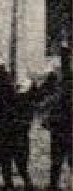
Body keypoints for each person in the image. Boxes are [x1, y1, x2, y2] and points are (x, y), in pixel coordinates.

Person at [0, 67, 36, 191]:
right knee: (6, 162)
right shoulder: (7, 98)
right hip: (9, 135)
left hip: (18, 136)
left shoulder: (26, 104)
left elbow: (26, 121)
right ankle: (9, 185)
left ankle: (26, 184)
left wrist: (15, 121)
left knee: (20, 164)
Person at [43, 35, 71, 191]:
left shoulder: (65, 88)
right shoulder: (63, 89)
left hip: (63, 128)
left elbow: (66, 70)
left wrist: (64, 47)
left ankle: (55, 185)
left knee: (58, 159)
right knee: (58, 159)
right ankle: (55, 185)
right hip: (61, 127)